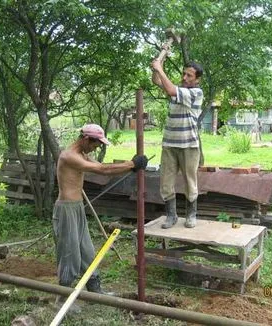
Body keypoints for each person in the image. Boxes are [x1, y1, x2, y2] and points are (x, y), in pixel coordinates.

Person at [53, 124, 148, 305]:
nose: (95, 148)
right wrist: (132, 164)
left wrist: (131, 166)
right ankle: (62, 300)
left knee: (87, 251)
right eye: (95, 145)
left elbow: (104, 168)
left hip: (77, 207)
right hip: (66, 210)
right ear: (86, 139)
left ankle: (95, 292)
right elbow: (102, 170)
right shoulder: (68, 156)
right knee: (69, 254)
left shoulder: (82, 155)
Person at [151, 59, 204, 229]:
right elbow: (157, 81)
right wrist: (157, 66)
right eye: (184, 74)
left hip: (189, 145)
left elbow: (169, 88)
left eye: (189, 75)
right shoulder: (178, 92)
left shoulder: (196, 92)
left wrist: (160, 68)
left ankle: (191, 214)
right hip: (169, 144)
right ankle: (171, 216)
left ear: (197, 80)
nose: (184, 77)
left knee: (190, 181)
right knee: (166, 182)